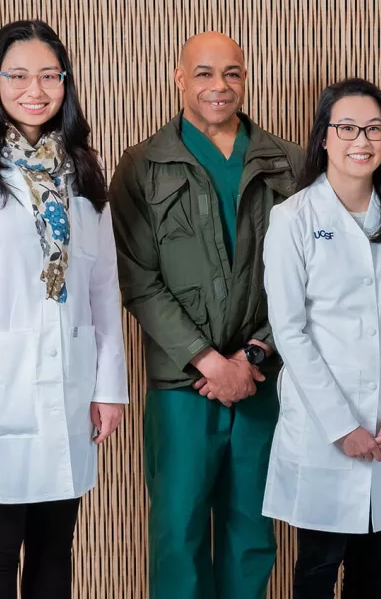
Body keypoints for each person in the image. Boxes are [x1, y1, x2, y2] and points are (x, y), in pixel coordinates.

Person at [0, 19, 127, 599]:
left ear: (65, 83)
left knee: (55, 549)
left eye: (48, 75)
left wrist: (108, 386)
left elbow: (102, 285)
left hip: (67, 381)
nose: (34, 89)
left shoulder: (81, 168)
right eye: (18, 75)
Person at [108, 31, 304, 599]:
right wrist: (207, 359)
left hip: (261, 379)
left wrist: (255, 353)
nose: (219, 86)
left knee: (252, 533)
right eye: (204, 73)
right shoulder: (143, 165)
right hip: (181, 385)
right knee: (178, 532)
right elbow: (138, 280)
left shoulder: (287, 163)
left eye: (232, 73)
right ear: (178, 78)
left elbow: (308, 278)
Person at [262, 78, 381, 599]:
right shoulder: (293, 218)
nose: (360, 140)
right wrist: (342, 427)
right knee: (318, 563)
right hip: (323, 426)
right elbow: (289, 330)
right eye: (346, 128)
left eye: (373, 129)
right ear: (323, 138)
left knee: (372, 562)